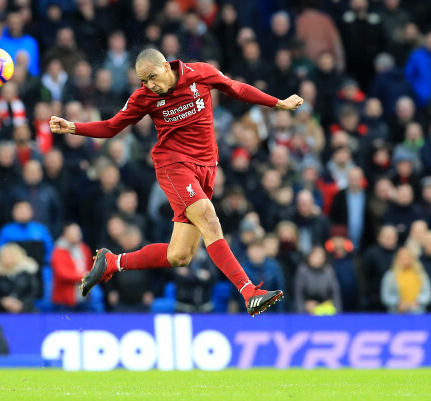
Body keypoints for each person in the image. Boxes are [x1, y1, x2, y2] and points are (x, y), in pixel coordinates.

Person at [50, 49, 302, 316]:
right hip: (174, 165)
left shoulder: (200, 73)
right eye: (143, 80)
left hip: (206, 168)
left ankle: (113, 262)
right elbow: (112, 126)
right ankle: (249, 292)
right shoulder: (144, 97)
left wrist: (279, 103)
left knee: (179, 256)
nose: (149, 85)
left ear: (165, 66)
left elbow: (236, 88)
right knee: (210, 220)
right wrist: (73, 127)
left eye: (152, 77)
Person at [51, 222, 93, 311]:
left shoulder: (84, 249)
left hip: (83, 297)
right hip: (65, 300)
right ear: (65, 235)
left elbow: (90, 267)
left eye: (78, 231)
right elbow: (62, 274)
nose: (76, 234)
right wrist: (85, 276)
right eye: (72, 232)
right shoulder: (59, 251)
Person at [381, 247, 431, 314]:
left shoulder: (421, 274)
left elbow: (428, 293)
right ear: (397, 259)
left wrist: (418, 301)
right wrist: (398, 303)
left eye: (408, 257)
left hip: (418, 313)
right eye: (402, 258)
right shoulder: (390, 276)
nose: (405, 260)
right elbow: (386, 296)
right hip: (396, 314)